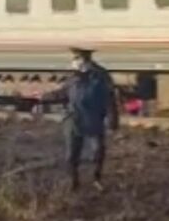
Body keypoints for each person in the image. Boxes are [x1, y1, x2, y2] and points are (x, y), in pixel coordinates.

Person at [40, 47, 120, 192]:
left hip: (93, 118)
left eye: (78, 58)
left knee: (98, 151)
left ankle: (96, 178)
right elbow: (63, 93)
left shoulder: (101, 77)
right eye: (74, 59)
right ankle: (73, 180)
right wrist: (43, 97)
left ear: (87, 60)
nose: (75, 62)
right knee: (71, 153)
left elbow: (110, 99)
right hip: (73, 119)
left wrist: (113, 119)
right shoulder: (73, 78)